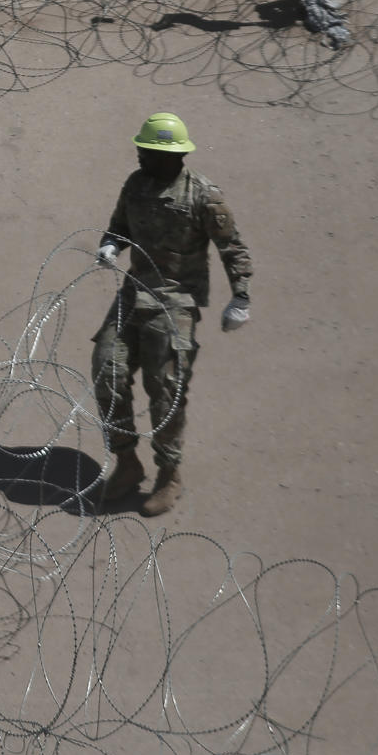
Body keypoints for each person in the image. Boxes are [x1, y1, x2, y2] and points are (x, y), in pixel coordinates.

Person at [91, 111, 252, 516]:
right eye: (141, 149)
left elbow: (232, 247)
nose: (141, 156)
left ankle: (169, 474)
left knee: (165, 389)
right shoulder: (136, 184)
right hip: (136, 291)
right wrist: (111, 245)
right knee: (107, 369)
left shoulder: (202, 195)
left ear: (173, 156)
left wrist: (241, 297)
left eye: (148, 151)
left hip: (176, 299)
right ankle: (127, 461)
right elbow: (119, 226)